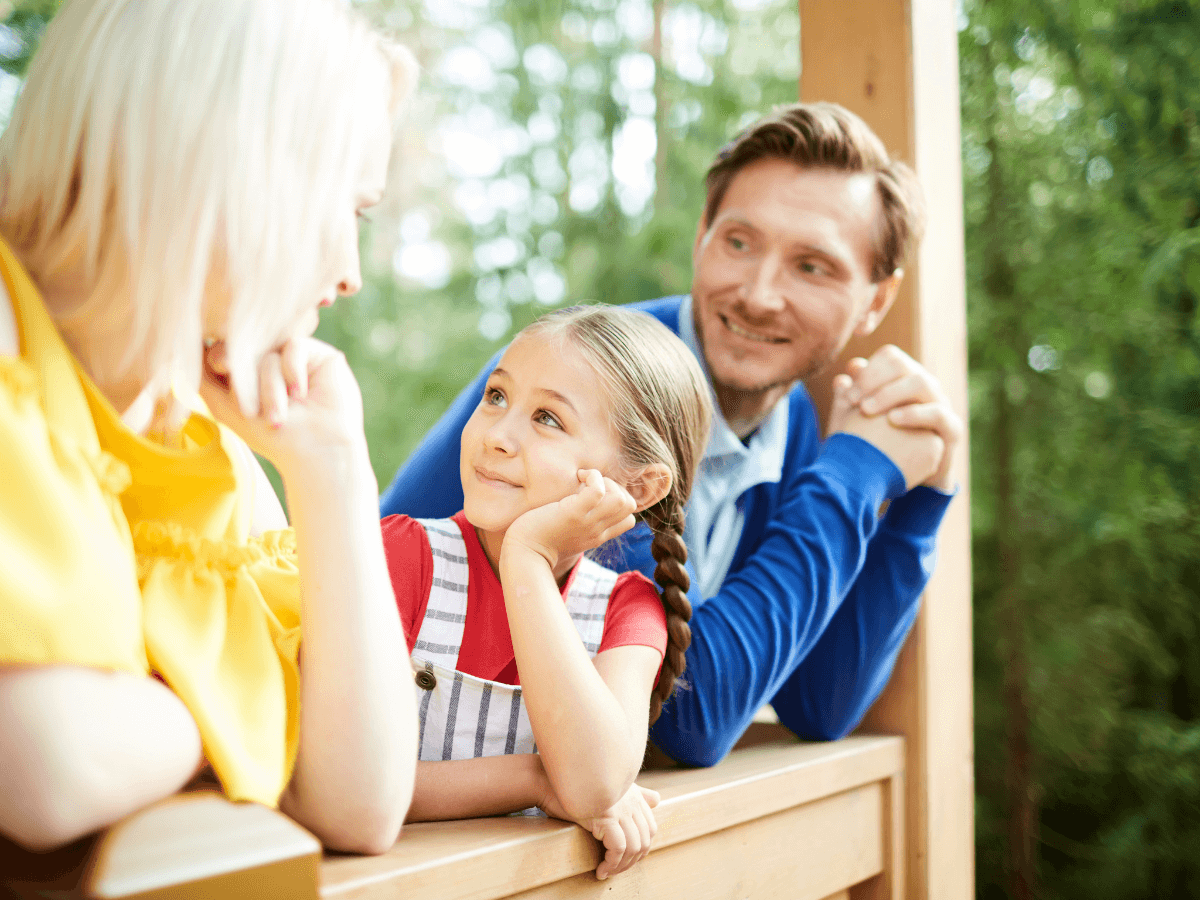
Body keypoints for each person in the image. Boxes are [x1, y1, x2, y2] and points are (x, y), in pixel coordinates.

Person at [380, 102, 962, 767]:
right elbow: (687, 712)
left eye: (812, 267)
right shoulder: (595, 396)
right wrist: (853, 474)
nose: (758, 294)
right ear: (701, 240)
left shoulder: (793, 423)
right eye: (739, 242)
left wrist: (919, 506)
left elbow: (817, 702)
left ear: (877, 300)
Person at [0, 0, 418, 854]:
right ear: (226, 163)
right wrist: (233, 703)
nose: (350, 273)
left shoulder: (195, 427)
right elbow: (45, 764)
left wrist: (335, 473)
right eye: (348, 206)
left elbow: (362, 804)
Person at [383, 305, 712, 878]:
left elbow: (593, 783)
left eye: (548, 419)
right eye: (495, 397)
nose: (498, 436)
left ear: (636, 486)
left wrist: (527, 557)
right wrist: (534, 777)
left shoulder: (627, 610)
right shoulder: (400, 557)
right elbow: (343, 782)